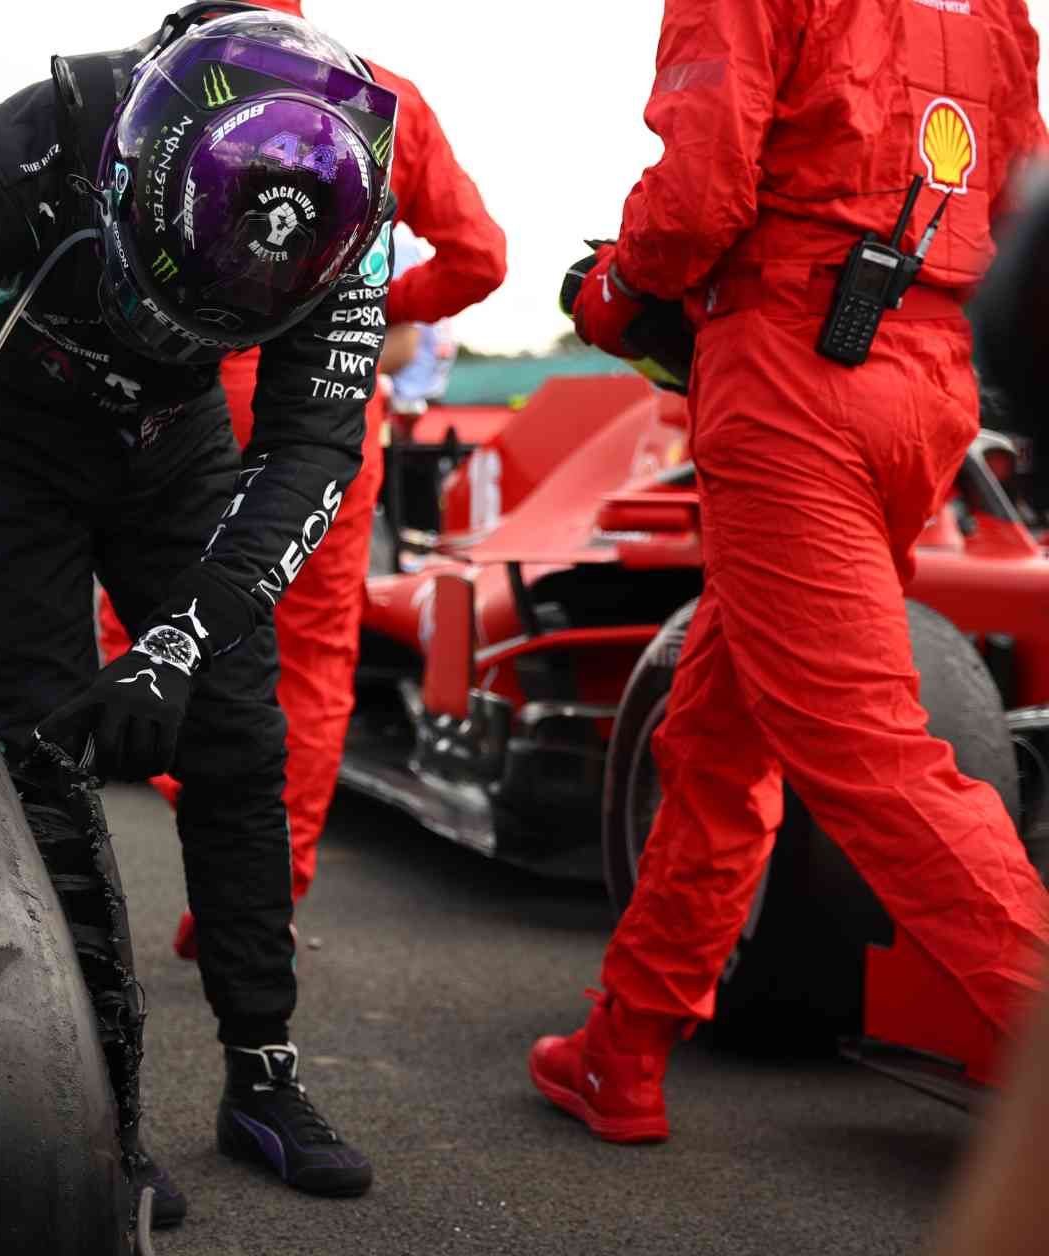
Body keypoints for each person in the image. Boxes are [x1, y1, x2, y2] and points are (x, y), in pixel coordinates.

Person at [0, 7, 398, 1218]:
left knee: (234, 729)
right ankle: (88, 1095)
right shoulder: (28, 145)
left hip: (178, 443)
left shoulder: (348, 213)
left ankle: (263, 1071)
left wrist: (177, 646)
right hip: (9, 431)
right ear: (129, 172)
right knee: (38, 747)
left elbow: (313, 449)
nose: (176, 328)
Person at [533, 0, 1049, 1144]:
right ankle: (623, 1045)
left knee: (867, 750)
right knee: (719, 734)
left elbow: (700, 190)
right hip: (929, 381)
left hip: (790, 372)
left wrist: (615, 292)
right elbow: (1019, 187)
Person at [100, 0, 507, 961]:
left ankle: (198, 819)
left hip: (194, 396)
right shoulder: (386, 97)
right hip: (330, 407)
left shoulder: (170, 75)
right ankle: (261, 900)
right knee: (318, 657)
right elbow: (483, 258)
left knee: (144, 625)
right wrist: (362, 299)